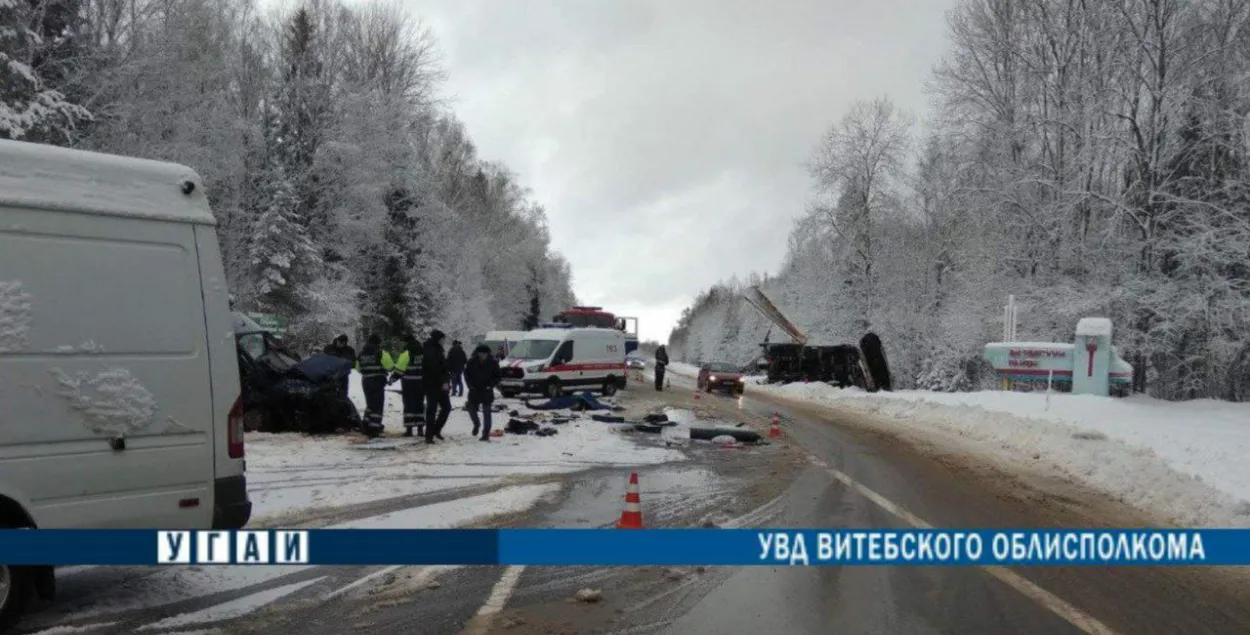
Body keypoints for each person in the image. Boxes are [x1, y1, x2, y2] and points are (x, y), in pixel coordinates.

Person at [355, 334, 393, 435]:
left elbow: (358, 368)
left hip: (366, 381)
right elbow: (389, 366)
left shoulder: (361, 353)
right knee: (377, 406)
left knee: (370, 404)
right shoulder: (380, 352)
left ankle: (366, 425)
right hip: (377, 381)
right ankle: (374, 428)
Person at [463, 343, 501, 441]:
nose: (482, 355)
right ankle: (476, 424)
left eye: (484, 354)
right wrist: (470, 386)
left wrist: (491, 385)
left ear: (488, 354)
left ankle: (486, 434)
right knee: (471, 409)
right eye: (480, 353)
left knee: (487, 412)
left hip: (487, 390)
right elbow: (466, 375)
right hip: (474, 389)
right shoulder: (471, 361)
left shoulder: (493, 362)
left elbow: (497, 376)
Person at [422, 329, 452, 443]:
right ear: (438, 339)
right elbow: (435, 368)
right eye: (442, 339)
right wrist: (444, 381)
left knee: (446, 408)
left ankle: (435, 430)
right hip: (433, 384)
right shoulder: (431, 349)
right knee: (432, 410)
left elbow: (441, 366)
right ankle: (429, 435)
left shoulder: (436, 349)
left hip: (437, 383)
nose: (444, 341)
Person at [392, 336, 425, 438]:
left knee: (409, 405)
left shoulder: (406, 354)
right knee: (419, 404)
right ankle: (420, 429)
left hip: (408, 383)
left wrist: (392, 379)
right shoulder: (424, 354)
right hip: (421, 383)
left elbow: (399, 370)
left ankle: (409, 430)